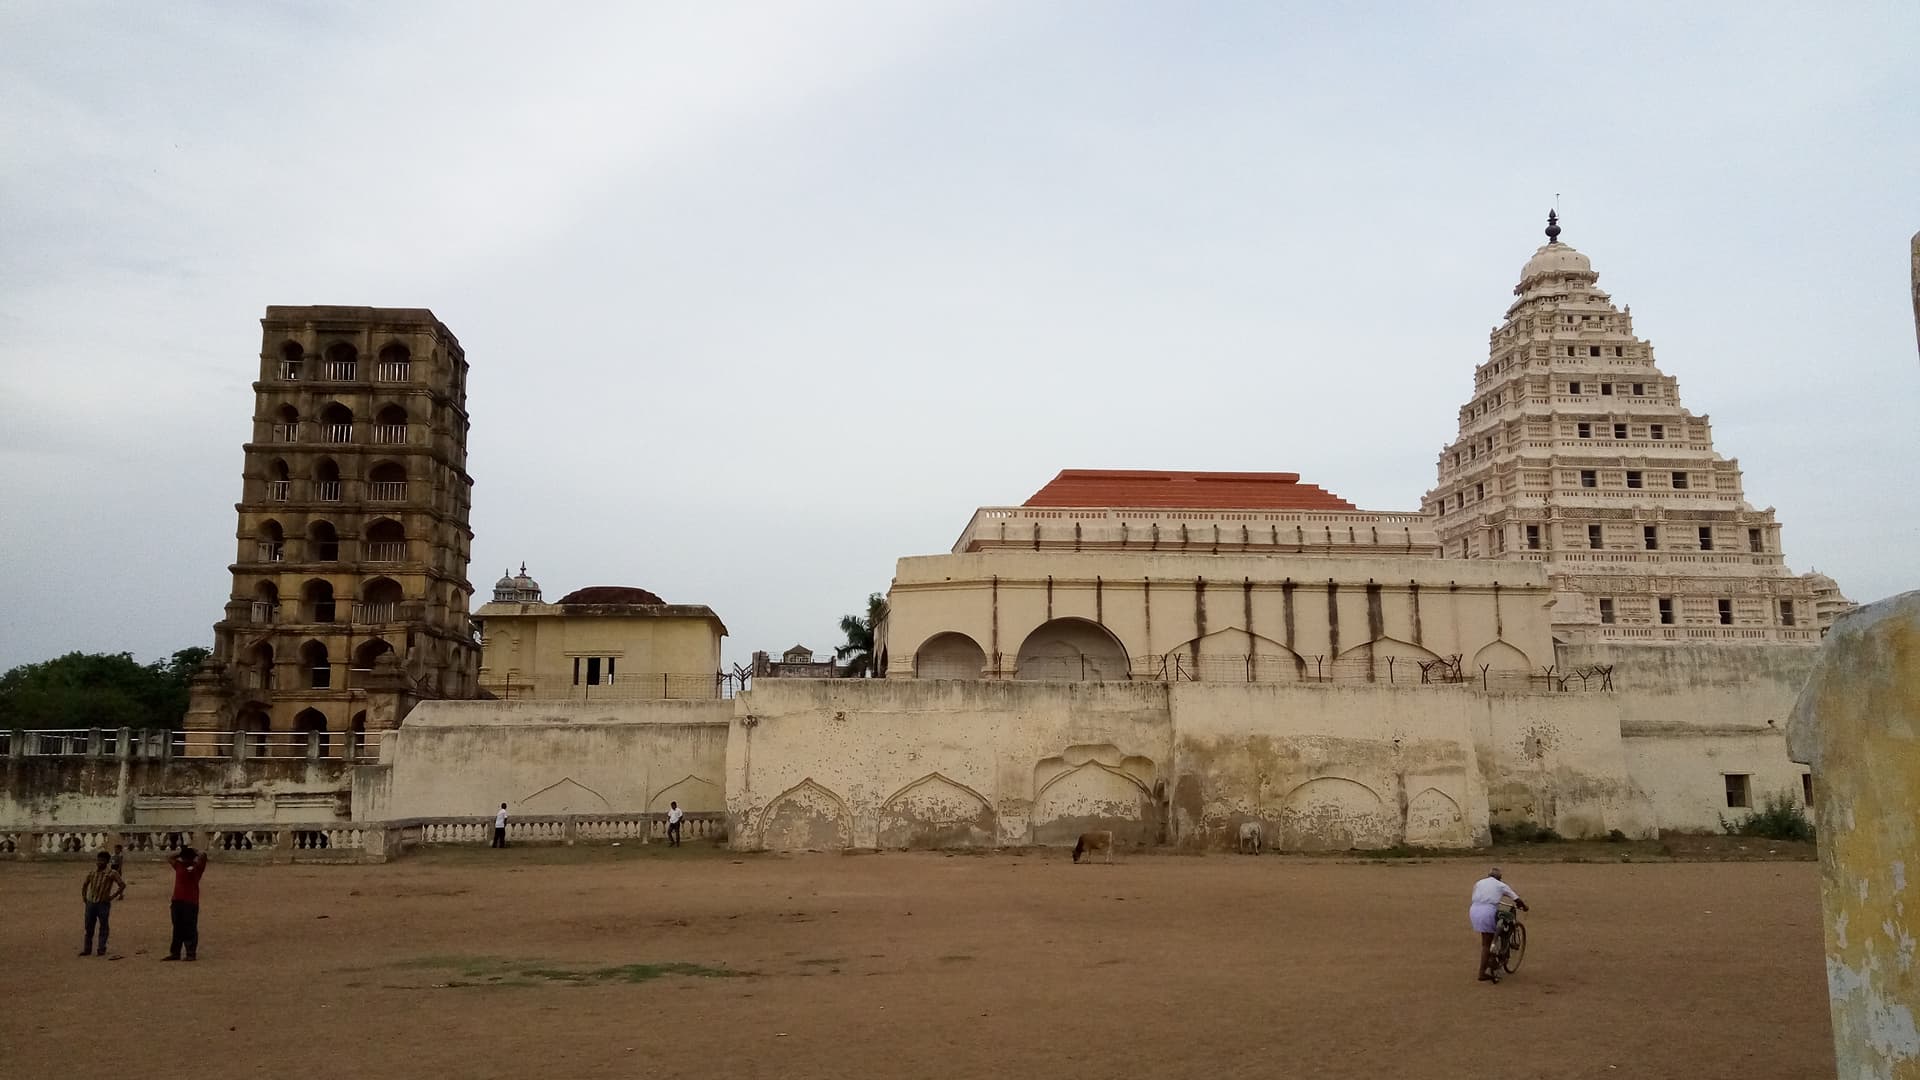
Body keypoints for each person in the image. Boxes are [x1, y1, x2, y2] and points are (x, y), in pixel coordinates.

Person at [1469, 866, 1526, 983]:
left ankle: (1494, 950)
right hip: (1488, 911)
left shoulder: (1479, 882)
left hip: (1474, 910)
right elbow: (1516, 899)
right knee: (1487, 943)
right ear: (1499, 878)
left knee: (1486, 936)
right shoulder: (1501, 885)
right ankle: (1482, 972)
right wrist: (1524, 907)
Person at [164, 845, 209, 962]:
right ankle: (176, 952)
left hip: (190, 902)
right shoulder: (182, 865)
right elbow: (169, 857)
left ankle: (190, 953)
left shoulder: (197, 867)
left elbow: (203, 855)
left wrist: (193, 851)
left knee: (190, 927)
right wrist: (181, 852)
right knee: (177, 927)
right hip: (179, 901)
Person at [80, 851, 126, 957]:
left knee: (103, 926)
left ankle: (101, 948)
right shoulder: (92, 872)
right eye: (99, 860)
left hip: (102, 903)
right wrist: (84, 897)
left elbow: (122, 885)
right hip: (92, 902)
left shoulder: (111, 873)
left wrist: (112, 897)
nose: (100, 862)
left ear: (107, 861)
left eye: (102, 860)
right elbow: (85, 885)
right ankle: (87, 949)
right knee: (89, 926)